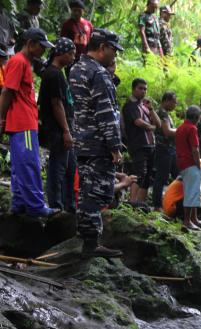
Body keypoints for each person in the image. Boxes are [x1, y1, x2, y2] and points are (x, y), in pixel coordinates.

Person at [69, 28, 124, 257]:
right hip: (98, 143)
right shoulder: (99, 74)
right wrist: (115, 146)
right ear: (102, 48)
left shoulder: (76, 68)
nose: (115, 56)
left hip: (81, 140)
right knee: (97, 192)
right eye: (114, 50)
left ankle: (87, 239)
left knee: (86, 191)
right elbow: (105, 113)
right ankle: (91, 245)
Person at [0, 28, 55, 217]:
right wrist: (1, 118)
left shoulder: (24, 63)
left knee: (19, 164)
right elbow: (7, 91)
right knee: (29, 163)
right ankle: (36, 205)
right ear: (30, 44)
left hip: (24, 121)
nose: (43, 51)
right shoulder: (18, 61)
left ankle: (20, 203)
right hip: (22, 122)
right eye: (41, 47)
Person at [39, 37, 76, 212]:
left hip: (64, 128)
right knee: (58, 168)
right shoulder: (52, 74)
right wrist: (66, 131)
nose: (73, 57)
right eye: (70, 54)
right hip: (58, 130)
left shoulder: (58, 73)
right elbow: (56, 104)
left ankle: (68, 204)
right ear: (60, 54)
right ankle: (55, 204)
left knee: (69, 168)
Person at [122, 78, 159, 204]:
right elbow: (138, 122)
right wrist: (151, 127)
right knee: (139, 173)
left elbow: (158, 124)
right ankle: (132, 202)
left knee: (148, 175)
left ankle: (140, 204)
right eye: (140, 88)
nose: (143, 91)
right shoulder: (129, 106)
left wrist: (151, 109)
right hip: (138, 144)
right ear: (133, 89)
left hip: (150, 145)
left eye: (145, 89)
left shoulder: (144, 106)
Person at [175, 105, 201, 230]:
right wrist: (198, 164)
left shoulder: (181, 127)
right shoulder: (192, 128)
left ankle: (194, 219)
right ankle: (187, 221)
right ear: (197, 117)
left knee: (194, 190)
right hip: (190, 163)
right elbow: (195, 149)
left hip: (182, 163)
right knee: (192, 192)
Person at [152, 90, 179, 210]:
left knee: (177, 175)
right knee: (161, 177)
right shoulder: (162, 113)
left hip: (169, 150)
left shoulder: (164, 113)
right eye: (174, 102)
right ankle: (157, 205)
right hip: (163, 148)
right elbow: (167, 131)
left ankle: (176, 201)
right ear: (167, 101)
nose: (175, 105)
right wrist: (181, 130)